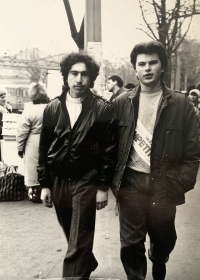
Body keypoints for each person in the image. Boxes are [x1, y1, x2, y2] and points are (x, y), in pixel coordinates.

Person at [112, 41, 199, 280]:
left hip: (165, 183)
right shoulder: (121, 103)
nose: (147, 68)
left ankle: (159, 260)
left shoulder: (181, 104)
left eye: (153, 62)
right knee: (130, 245)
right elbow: (109, 147)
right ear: (135, 69)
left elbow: (192, 152)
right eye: (142, 64)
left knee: (164, 240)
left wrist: (180, 182)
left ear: (162, 66)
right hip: (131, 184)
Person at [37, 52, 117, 279]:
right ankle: (87, 260)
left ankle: (73, 274)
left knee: (79, 234)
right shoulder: (53, 108)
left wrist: (103, 187)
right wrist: (44, 184)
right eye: (74, 73)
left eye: (84, 74)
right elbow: (43, 149)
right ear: (66, 76)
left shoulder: (103, 109)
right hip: (58, 178)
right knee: (72, 233)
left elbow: (110, 151)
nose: (79, 79)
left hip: (86, 179)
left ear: (91, 78)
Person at [16, 82, 49, 203]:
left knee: (32, 166)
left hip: (33, 141)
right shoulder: (52, 108)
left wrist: (20, 147)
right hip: (50, 139)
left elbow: (22, 131)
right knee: (47, 164)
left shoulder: (29, 110)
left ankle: (34, 192)